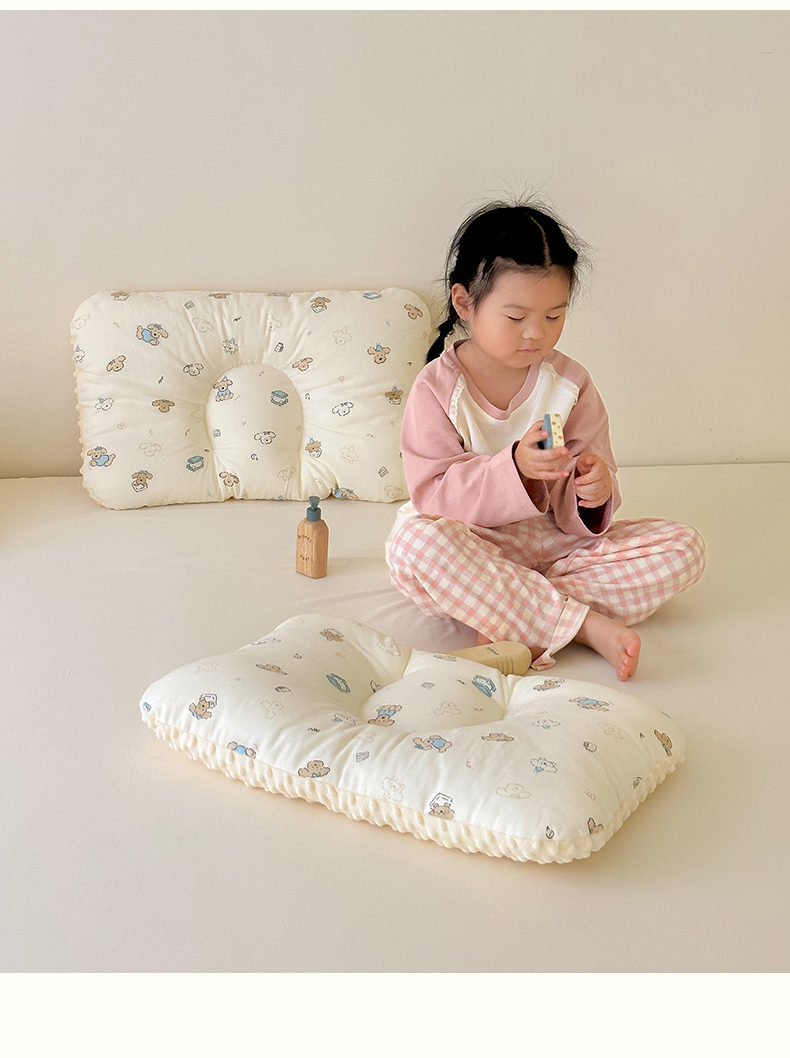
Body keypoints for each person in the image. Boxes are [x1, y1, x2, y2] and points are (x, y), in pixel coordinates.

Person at [385, 200, 706, 680]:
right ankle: (583, 625)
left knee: (684, 548)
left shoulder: (570, 384)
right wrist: (514, 468)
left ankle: (511, 609)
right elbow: (433, 494)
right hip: (471, 543)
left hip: (553, 544)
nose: (536, 334)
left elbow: (591, 474)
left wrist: (594, 490)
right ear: (465, 303)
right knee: (413, 546)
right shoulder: (437, 388)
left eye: (554, 316)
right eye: (516, 318)